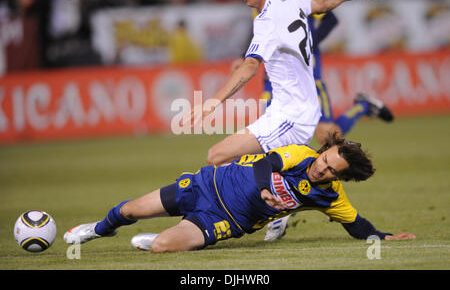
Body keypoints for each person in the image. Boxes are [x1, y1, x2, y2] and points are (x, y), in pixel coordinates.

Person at [63, 132, 416, 253]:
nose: (321, 168)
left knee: (160, 248)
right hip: (206, 185)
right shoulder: (300, 154)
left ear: (340, 177)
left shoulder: (330, 196)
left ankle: (169, 236)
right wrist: (265, 191)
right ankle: (97, 229)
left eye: (330, 170)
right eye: (325, 159)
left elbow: (356, 225)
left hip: (223, 220)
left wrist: (383, 237)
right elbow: (265, 165)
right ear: (322, 151)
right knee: (128, 211)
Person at [255, 0, 395, 242]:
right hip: (272, 75)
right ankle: (279, 206)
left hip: (306, 76)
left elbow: (329, 16)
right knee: (268, 141)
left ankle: (362, 106)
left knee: (328, 136)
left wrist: (307, 47)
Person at [181, 0, 370, 168]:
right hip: (299, 109)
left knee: (216, 157)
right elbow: (319, 4)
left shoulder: (268, 19)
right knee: (261, 167)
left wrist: (211, 103)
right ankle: (276, 186)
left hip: (291, 116)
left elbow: (251, 66)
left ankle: (279, 187)